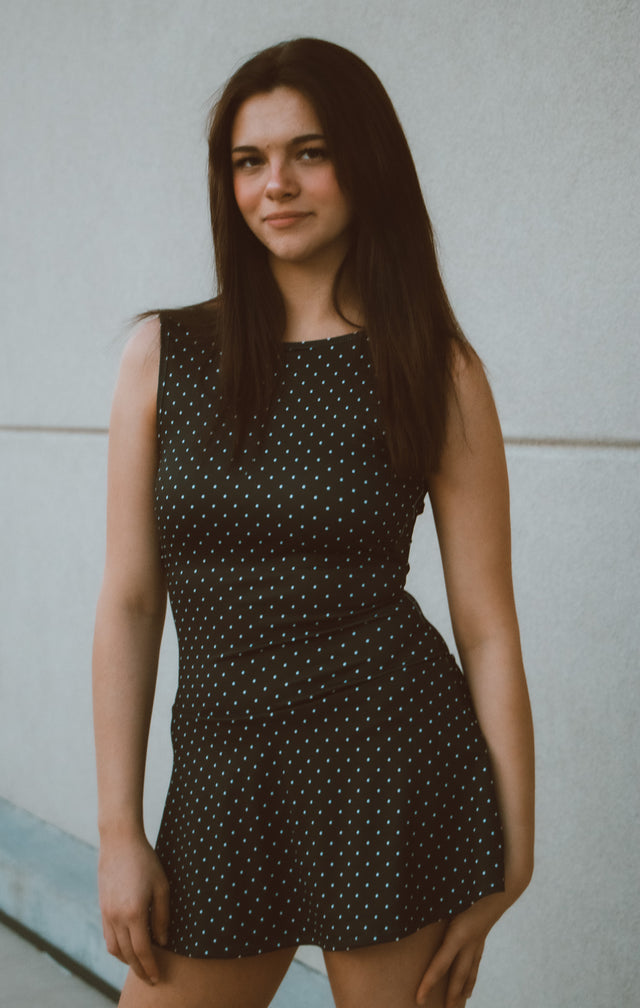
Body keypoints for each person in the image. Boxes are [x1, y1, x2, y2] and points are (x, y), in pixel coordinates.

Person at [92, 37, 534, 1008]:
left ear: (365, 165)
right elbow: (129, 602)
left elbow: (489, 625)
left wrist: (516, 852)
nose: (275, 185)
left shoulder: (436, 369)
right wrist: (119, 831)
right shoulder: (162, 356)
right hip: (221, 771)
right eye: (249, 161)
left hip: (388, 761)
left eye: (310, 152)